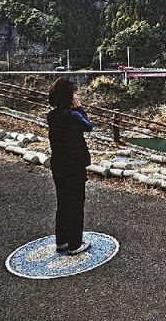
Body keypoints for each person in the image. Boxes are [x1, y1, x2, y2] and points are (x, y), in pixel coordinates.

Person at [47, 77, 93, 255]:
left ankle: (62, 241)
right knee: (76, 204)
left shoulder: (52, 116)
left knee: (63, 202)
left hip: (58, 166)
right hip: (74, 166)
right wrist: (80, 108)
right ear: (69, 97)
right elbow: (88, 126)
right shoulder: (73, 115)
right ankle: (75, 244)